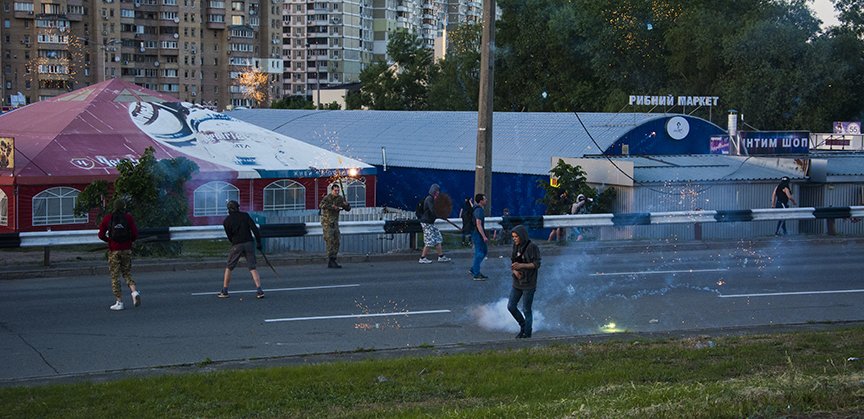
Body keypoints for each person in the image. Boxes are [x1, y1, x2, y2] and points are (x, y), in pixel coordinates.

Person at [98, 200, 141, 311]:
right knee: (126, 273)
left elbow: (101, 235)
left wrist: (110, 241)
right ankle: (134, 292)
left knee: (115, 276)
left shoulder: (108, 218)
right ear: (124, 207)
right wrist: (129, 241)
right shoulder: (129, 218)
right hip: (126, 250)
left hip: (114, 250)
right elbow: (135, 234)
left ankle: (119, 302)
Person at [219, 200, 264, 299]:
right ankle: (259, 290)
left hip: (236, 244)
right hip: (249, 243)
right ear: (238, 207)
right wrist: (259, 243)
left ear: (228, 210)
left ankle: (225, 290)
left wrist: (235, 244)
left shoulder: (227, 221)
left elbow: (229, 236)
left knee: (229, 266)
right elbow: (255, 229)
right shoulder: (245, 216)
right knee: (252, 267)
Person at [508, 224, 541, 339]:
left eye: (516, 236)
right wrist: (515, 272)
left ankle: (527, 333)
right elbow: (513, 262)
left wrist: (522, 265)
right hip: (517, 282)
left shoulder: (532, 247)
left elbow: (537, 264)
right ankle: (523, 326)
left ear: (522, 236)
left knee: (526, 309)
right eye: (513, 237)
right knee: (511, 306)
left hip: (529, 283)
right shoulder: (515, 246)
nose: (514, 239)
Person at [319, 183, 351, 268]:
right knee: (330, 241)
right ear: (332, 190)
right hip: (327, 222)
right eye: (335, 190)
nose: (337, 192)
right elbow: (321, 205)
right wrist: (332, 207)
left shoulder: (340, 198)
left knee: (337, 240)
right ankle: (331, 259)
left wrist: (346, 205)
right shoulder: (327, 198)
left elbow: (347, 209)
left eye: (338, 190)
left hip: (335, 223)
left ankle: (333, 259)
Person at [418, 183, 451, 264]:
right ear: (434, 191)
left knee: (438, 238)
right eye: (437, 191)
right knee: (429, 241)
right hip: (427, 223)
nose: (438, 192)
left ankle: (441, 256)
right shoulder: (429, 199)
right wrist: (441, 215)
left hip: (430, 223)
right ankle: (422, 258)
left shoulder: (432, 199)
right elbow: (433, 210)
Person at [470, 194, 490, 280]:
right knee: (480, 253)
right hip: (477, 234)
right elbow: (478, 224)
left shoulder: (478, 209)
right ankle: (476, 274)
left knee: (484, 251)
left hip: (477, 233)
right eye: (485, 199)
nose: (486, 200)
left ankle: (474, 268)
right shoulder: (479, 210)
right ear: (481, 201)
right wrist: (484, 236)